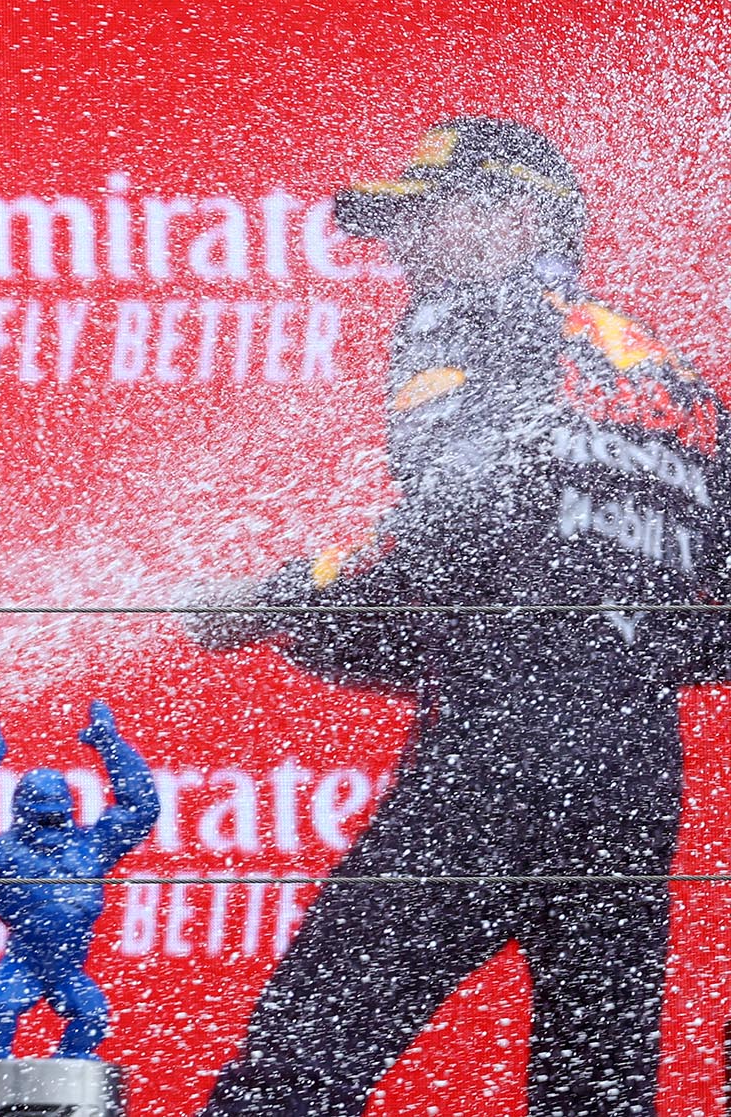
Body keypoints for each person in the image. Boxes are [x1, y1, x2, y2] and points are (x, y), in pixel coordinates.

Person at [182, 117, 731, 1117]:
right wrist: (599, 644)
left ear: (517, 215)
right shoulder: (671, 382)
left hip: (495, 753)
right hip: (632, 776)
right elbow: (712, 628)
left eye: (423, 219)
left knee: (289, 1078)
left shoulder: (466, 319)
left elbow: (454, 540)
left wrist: (280, 598)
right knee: (593, 1101)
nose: (403, 252)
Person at [0, 701, 158, 1061]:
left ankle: (69, 1081)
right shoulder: (4, 858)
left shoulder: (91, 848)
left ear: (69, 808)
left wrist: (111, 745)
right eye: (39, 811)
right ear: (20, 812)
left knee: (92, 1017)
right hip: (23, 960)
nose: (49, 820)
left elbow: (141, 810)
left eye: (55, 809)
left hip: (69, 967)